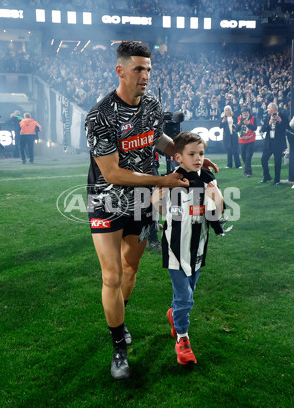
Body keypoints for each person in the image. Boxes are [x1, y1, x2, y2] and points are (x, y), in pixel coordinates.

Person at [86, 42, 217, 380]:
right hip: (107, 201)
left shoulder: (153, 105)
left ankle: (119, 317)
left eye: (148, 69)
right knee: (111, 274)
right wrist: (164, 180)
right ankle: (118, 345)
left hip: (142, 203)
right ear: (120, 70)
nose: (145, 76)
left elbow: (156, 138)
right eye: (138, 69)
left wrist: (187, 157)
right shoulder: (100, 115)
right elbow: (112, 173)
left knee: (130, 270)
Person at [150, 131, 224, 366]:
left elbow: (217, 214)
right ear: (178, 158)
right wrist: (158, 196)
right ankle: (182, 339)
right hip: (175, 249)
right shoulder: (170, 180)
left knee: (187, 295)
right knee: (185, 298)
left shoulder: (209, 181)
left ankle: (174, 315)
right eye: (192, 154)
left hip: (199, 248)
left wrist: (217, 196)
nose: (198, 158)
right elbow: (160, 210)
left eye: (201, 153)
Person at [260, 102, 289, 185]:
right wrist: (269, 123)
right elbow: (263, 129)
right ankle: (266, 176)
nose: (267, 110)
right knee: (263, 159)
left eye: (268, 108)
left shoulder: (282, 116)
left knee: (277, 162)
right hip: (269, 143)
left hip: (278, 143)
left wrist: (280, 121)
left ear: (273, 108)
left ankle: (277, 180)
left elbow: (287, 127)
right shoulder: (267, 117)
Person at [237, 106, 257, 178]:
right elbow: (236, 130)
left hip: (251, 140)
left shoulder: (253, 118)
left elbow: (255, 128)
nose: (244, 113)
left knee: (248, 156)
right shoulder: (239, 118)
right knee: (243, 156)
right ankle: (249, 169)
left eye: (246, 112)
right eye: (243, 112)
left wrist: (248, 124)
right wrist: (239, 124)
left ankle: (246, 172)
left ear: (248, 112)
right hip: (242, 140)